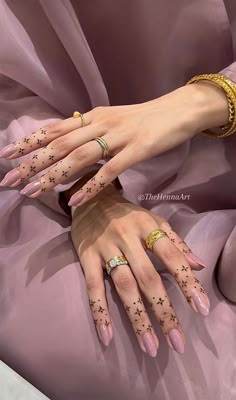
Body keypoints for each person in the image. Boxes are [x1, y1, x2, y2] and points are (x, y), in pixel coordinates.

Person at [0, 1, 235, 399]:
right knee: (94, 346)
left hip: (219, 143)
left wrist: (204, 99)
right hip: (61, 167)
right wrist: (87, 192)